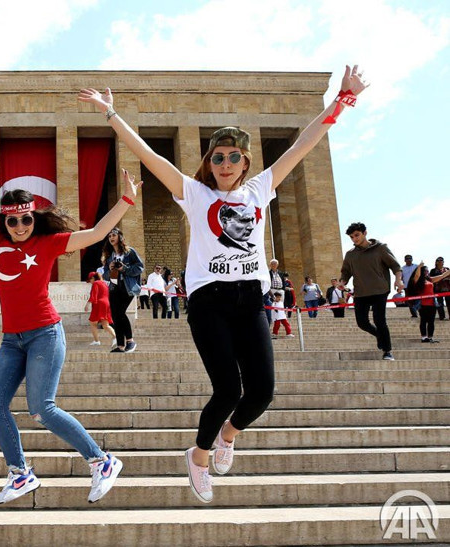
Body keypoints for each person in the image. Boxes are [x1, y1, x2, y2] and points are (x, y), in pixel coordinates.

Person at [79, 63, 368, 503]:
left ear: (246, 162)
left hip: (251, 300)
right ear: (208, 163)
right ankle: (198, 457)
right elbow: (150, 157)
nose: (226, 164)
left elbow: (305, 143)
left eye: (234, 157)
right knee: (228, 389)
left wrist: (343, 100)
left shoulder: (260, 189)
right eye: (218, 157)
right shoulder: (195, 194)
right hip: (209, 302)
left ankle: (228, 434)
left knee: (262, 392)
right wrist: (111, 114)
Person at [0, 157, 141, 505]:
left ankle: (102, 461)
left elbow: (95, 233)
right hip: (12, 340)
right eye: (13, 220)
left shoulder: (49, 242)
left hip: (45, 334)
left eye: (26, 219)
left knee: (42, 409)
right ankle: (20, 474)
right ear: (4, 221)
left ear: (34, 217)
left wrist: (126, 199)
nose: (20, 226)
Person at [340, 221, 404, 361]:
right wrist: (342, 282)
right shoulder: (350, 254)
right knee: (362, 323)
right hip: (361, 292)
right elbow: (346, 272)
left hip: (380, 290)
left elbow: (395, 266)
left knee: (379, 320)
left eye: (357, 235)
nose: (354, 239)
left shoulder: (380, 248)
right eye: (351, 237)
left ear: (365, 233)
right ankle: (380, 336)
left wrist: (398, 280)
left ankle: (387, 351)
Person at [102, 227, 144, 352]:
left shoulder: (129, 252)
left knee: (120, 312)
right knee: (115, 315)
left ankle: (130, 341)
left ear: (120, 236)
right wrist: (110, 269)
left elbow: (139, 267)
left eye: (114, 235)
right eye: (109, 236)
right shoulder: (109, 256)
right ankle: (120, 345)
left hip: (127, 286)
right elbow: (105, 276)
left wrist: (124, 268)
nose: (111, 238)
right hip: (114, 287)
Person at [410, 263, 450, 343]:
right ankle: (424, 337)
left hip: (432, 304)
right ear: (422, 271)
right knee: (423, 321)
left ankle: (430, 337)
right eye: (425, 271)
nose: (427, 272)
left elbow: (442, 276)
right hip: (422, 304)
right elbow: (417, 275)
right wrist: (419, 266)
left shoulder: (430, 280)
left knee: (431, 321)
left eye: (428, 271)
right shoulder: (417, 280)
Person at [85, 271, 115, 346]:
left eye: (90, 280)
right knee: (105, 325)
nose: (90, 282)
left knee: (92, 322)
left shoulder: (96, 283)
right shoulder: (104, 283)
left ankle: (96, 341)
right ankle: (115, 337)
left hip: (99, 304)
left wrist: (87, 304)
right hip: (106, 303)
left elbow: (93, 294)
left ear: (93, 278)